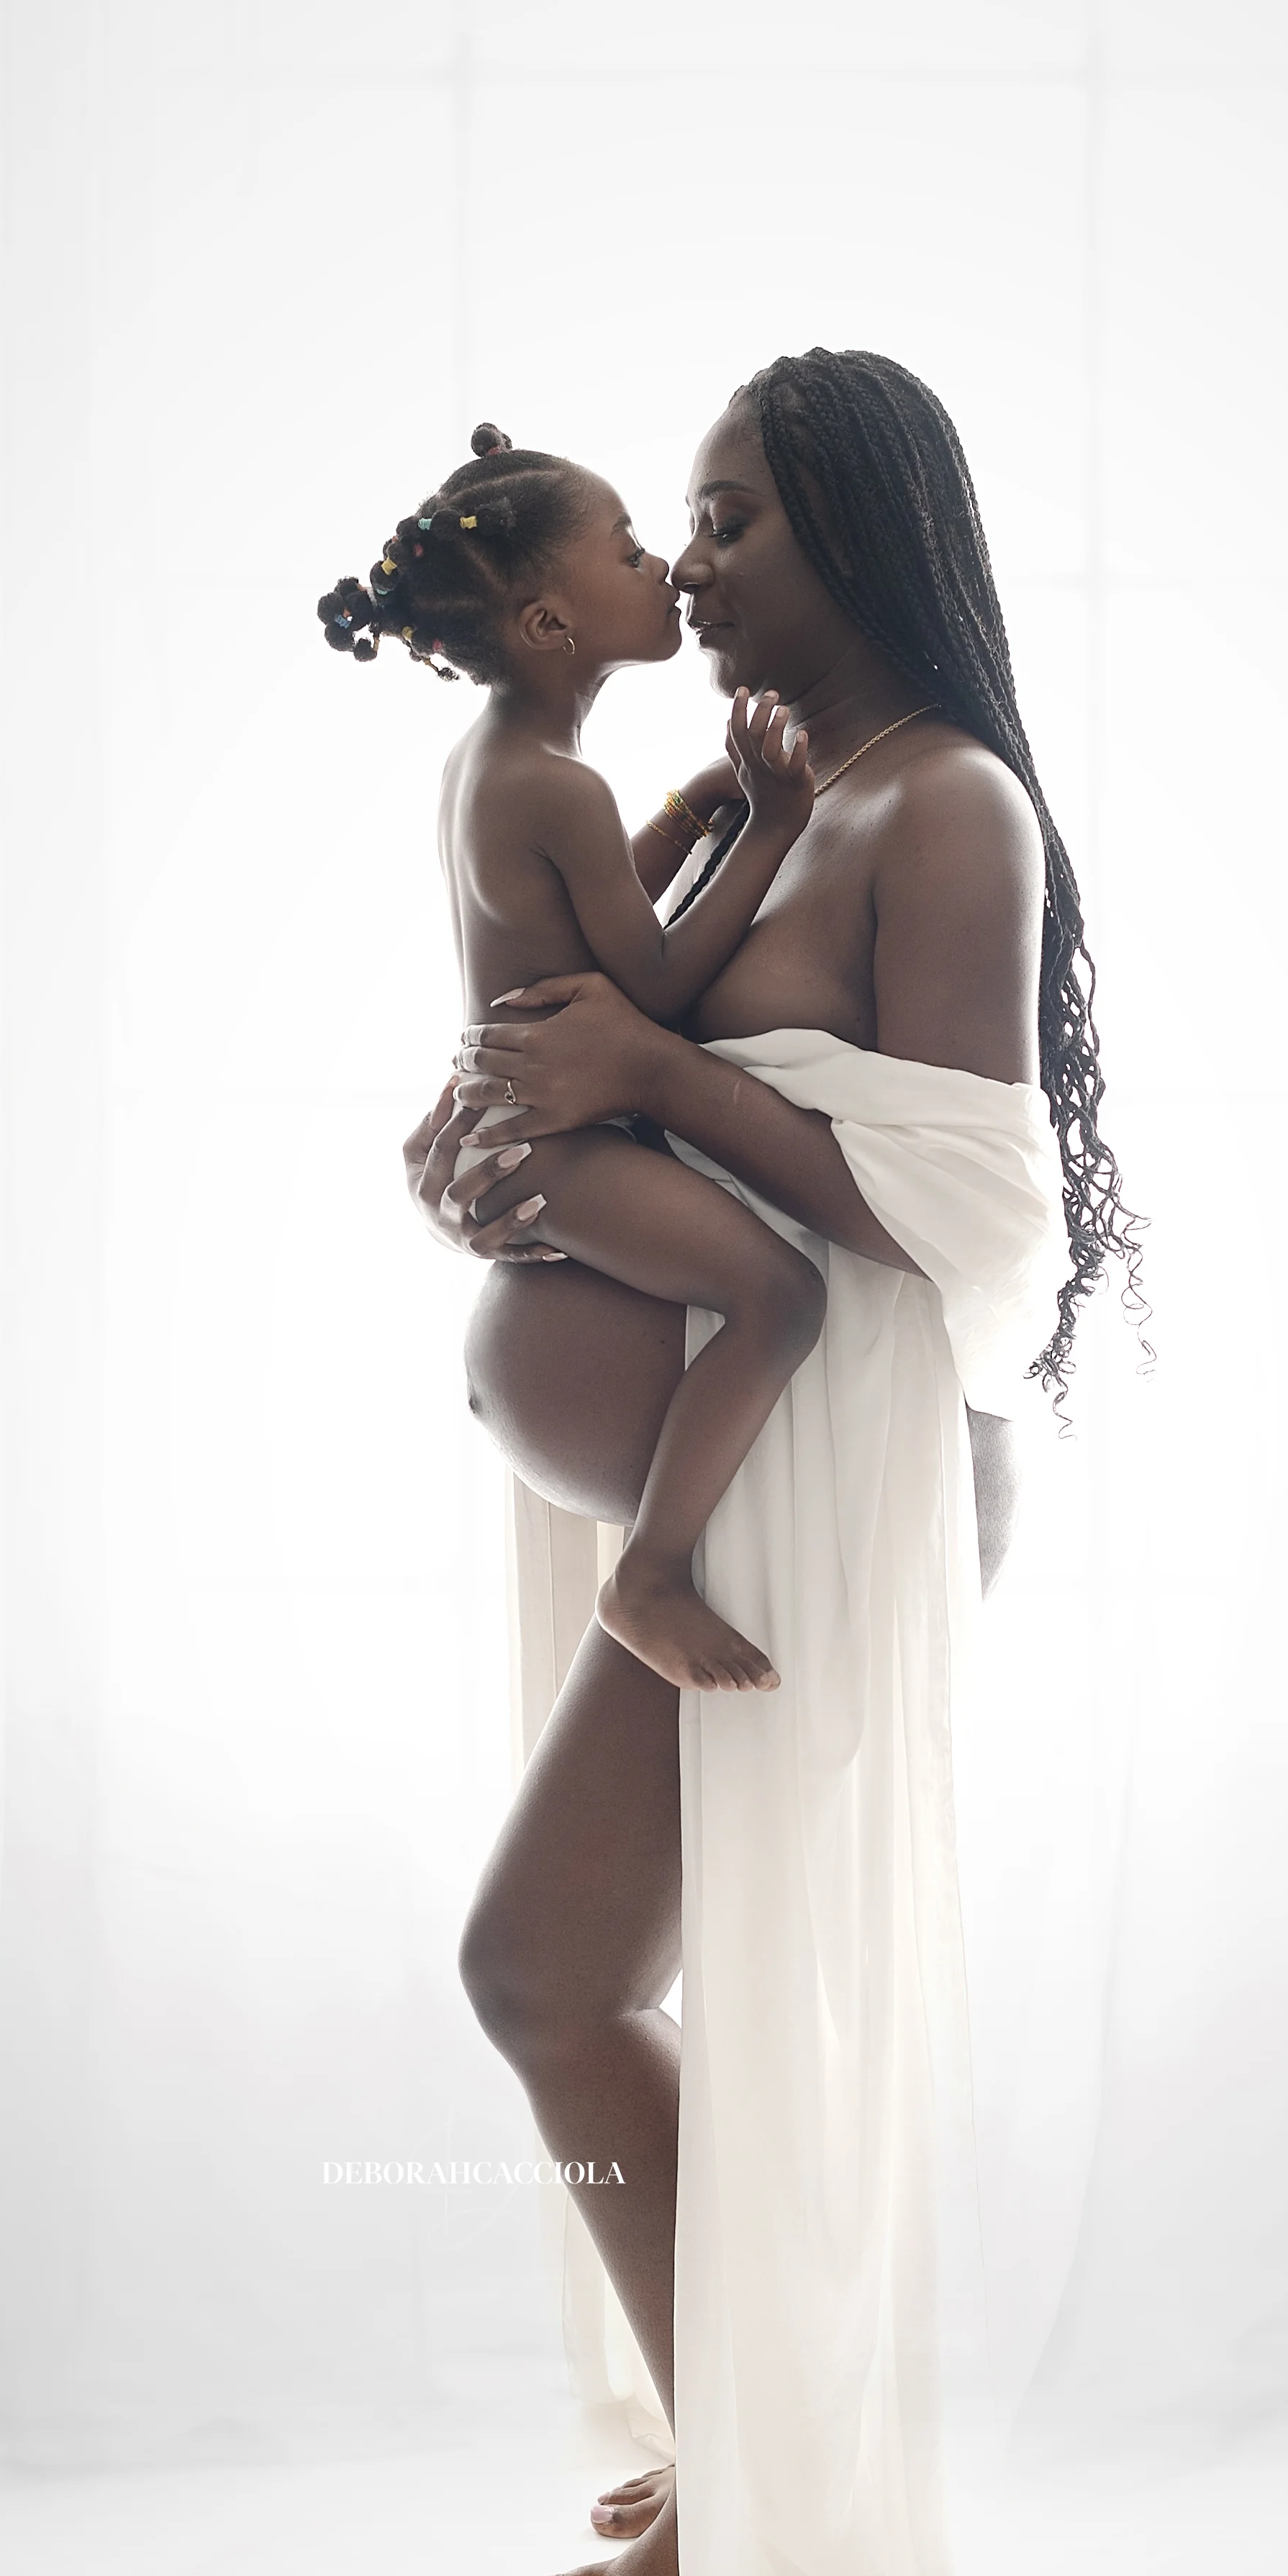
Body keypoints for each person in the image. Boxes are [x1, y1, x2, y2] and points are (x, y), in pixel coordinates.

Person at [404, 353, 1216, 2576]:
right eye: (687, 522)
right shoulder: (787, 796)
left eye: (734, 514)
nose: (703, 560)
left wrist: (653, 1072)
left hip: (816, 1499)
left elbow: (976, 1236)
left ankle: (773, 2521)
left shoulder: (946, 804)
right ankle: (740, 2484)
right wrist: (498, 1136)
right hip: (712, 1479)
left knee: (548, 1980)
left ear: (855, 523)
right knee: (581, 1988)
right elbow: (653, 1082)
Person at [319, 424, 824, 1693]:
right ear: (551, 626)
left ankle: (652, 1565)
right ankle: (649, 1574)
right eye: (631, 549)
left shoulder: (507, 765)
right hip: (551, 1137)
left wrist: (680, 818)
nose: (666, 570)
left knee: (770, 1297)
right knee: (785, 1299)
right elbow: (646, 987)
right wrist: (767, 829)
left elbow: (582, 926)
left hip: (523, 1120)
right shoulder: (553, 786)